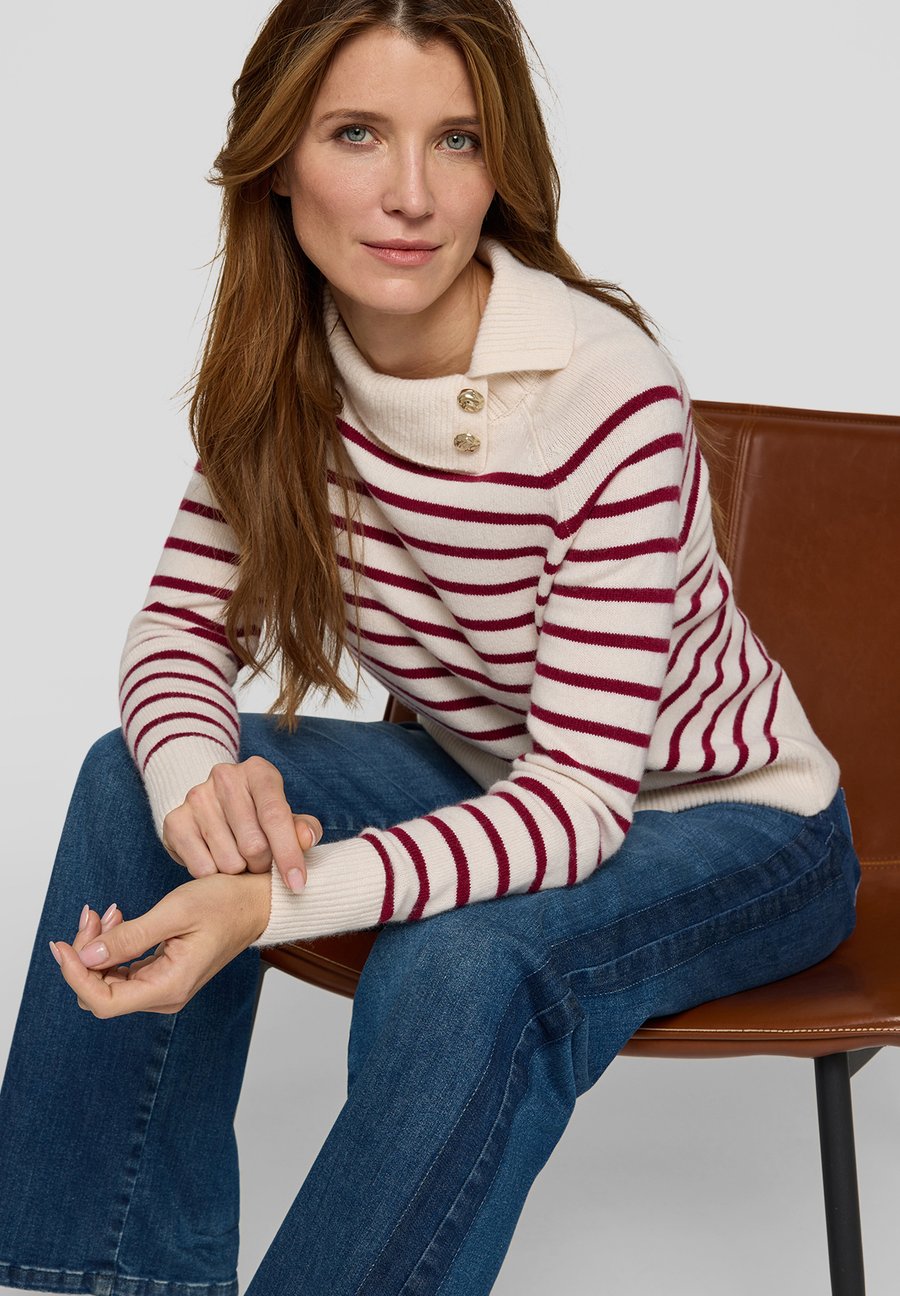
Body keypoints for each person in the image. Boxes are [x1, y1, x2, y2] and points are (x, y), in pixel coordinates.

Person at [0, 1, 861, 1293]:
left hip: (737, 824)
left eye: (456, 140)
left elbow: (577, 807)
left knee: (463, 961)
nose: (411, 194)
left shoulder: (601, 394)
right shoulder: (287, 369)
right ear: (279, 160)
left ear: (499, 166)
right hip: (497, 776)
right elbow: (181, 624)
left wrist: (270, 900)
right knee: (139, 775)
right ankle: (110, 1277)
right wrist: (201, 785)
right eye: (358, 133)